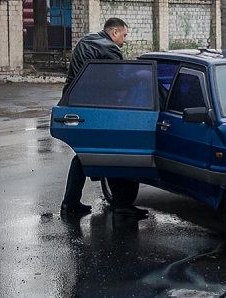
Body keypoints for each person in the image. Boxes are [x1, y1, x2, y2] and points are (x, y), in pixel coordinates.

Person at [60, 18, 148, 218]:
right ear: (115, 32)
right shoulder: (110, 49)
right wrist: (140, 74)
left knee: (84, 155)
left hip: (74, 103)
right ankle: (121, 205)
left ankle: (70, 203)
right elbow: (118, 81)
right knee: (115, 152)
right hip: (96, 109)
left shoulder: (85, 41)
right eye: (124, 35)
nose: (124, 40)